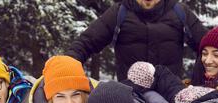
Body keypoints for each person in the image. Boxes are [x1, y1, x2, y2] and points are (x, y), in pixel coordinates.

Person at [66, 0, 207, 81]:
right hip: (130, 97)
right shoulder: (119, 12)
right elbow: (86, 42)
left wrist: (201, 81)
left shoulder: (180, 12)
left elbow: (208, 47)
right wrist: (64, 67)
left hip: (170, 96)